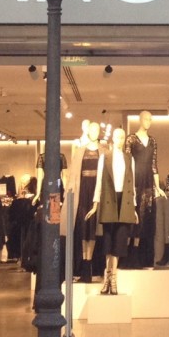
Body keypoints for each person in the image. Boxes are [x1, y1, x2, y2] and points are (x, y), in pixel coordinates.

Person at [86, 127, 136, 295]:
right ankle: (108, 277)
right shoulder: (105, 157)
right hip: (109, 201)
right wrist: (95, 204)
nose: (120, 140)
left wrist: (134, 207)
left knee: (119, 242)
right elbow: (99, 182)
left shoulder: (129, 158)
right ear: (113, 138)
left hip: (124, 202)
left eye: (122, 137)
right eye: (117, 137)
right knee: (108, 242)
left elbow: (132, 184)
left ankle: (112, 278)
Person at [125, 110, 166, 266]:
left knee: (147, 218)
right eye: (146, 119)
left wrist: (158, 187)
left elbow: (154, 164)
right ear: (140, 120)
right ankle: (130, 256)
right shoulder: (131, 139)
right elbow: (127, 163)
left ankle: (144, 257)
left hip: (148, 183)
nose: (148, 122)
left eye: (150, 119)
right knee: (134, 217)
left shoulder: (153, 141)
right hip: (135, 182)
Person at [69, 120, 103, 281]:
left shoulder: (104, 151)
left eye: (97, 129)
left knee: (95, 227)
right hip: (83, 190)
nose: (95, 132)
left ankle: (91, 264)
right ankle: (84, 265)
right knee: (83, 227)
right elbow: (74, 174)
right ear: (88, 131)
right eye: (92, 129)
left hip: (98, 190)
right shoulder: (80, 151)